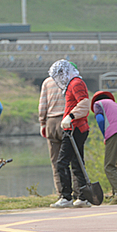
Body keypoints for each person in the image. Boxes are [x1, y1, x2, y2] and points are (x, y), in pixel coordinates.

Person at [48, 59, 92, 208]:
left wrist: (71, 116)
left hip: (76, 128)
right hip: (74, 128)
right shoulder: (72, 84)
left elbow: (84, 103)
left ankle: (66, 197)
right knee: (77, 163)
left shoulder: (76, 83)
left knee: (62, 163)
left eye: (60, 73)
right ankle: (83, 197)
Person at [38, 76, 81, 204]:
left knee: (56, 161)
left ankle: (62, 194)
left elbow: (42, 105)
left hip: (51, 122)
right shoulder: (71, 80)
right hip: (68, 121)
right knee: (74, 159)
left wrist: (42, 123)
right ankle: (79, 194)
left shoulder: (47, 82)